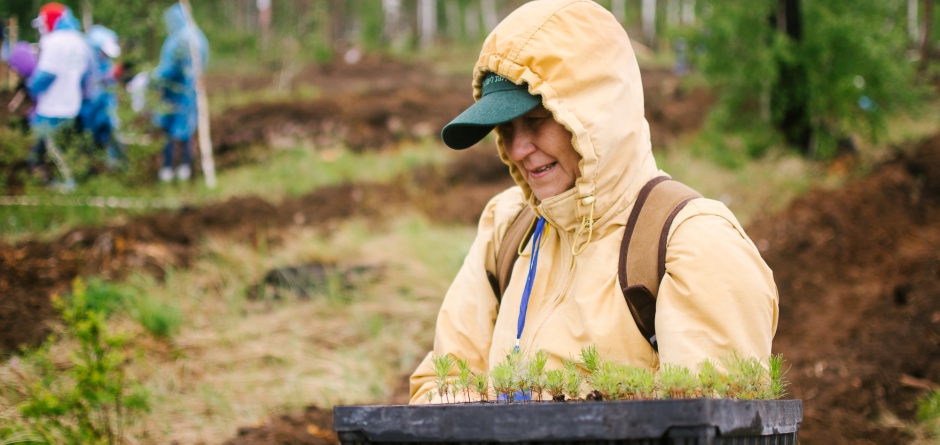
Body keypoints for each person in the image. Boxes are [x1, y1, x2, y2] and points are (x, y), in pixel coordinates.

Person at [409, 0, 778, 403]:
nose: (517, 149)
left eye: (535, 122)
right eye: (506, 128)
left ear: (596, 114)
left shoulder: (693, 244)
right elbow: (437, 388)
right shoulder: (506, 227)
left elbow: (711, 423)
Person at [26, 3, 93, 190]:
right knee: (61, 146)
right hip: (71, 105)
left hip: (51, 107)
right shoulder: (79, 41)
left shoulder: (54, 42)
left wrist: (30, 87)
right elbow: (86, 75)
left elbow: (47, 73)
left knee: (49, 149)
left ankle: (57, 184)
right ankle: (54, 181)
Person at [151, 2, 207, 182]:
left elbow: (167, 70)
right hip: (191, 93)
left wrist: (151, 80)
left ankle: (167, 168)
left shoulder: (177, 41)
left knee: (168, 130)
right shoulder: (199, 38)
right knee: (187, 129)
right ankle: (185, 168)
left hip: (173, 93)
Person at [83, 25, 123, 167]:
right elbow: (90, 88)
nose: (105, 56)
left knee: (111, 138)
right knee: (90, 142)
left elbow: (108, 88)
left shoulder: (106, 63)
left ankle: (114, 167)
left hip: (105, 111)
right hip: (90, 112)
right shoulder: (87, 63)